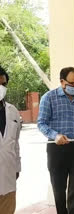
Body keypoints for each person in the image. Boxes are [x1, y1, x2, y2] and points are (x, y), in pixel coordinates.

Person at [37, 67, 74, 214]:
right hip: (57, 148)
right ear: (62, 82)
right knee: (59, 189)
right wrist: (55, 135)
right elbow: (41, 123)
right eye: (73, 84)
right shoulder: (49, 97)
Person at [0, 66, 21, 214]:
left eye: (3, 84)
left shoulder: (12, 110)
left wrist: (17, 168)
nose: (1, 88)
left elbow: (16, 143)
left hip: (8, 174)